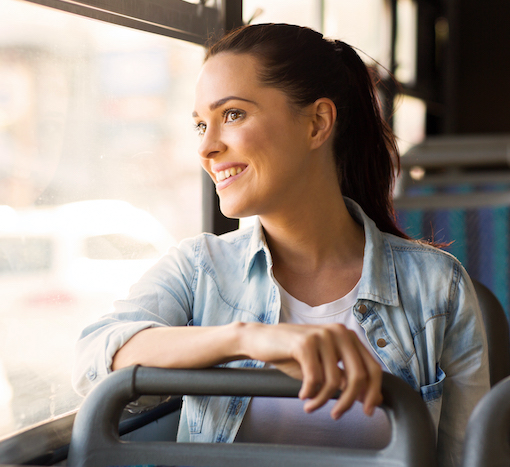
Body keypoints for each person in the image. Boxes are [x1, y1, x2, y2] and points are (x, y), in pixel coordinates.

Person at [73, 23, 489, 467]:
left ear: (316, 123)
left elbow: (469, 458)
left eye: (232, 115)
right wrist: (249, 339)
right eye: (200, 125)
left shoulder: (437, 288)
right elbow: (94, 358)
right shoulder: (200, 268)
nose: (207, 147)